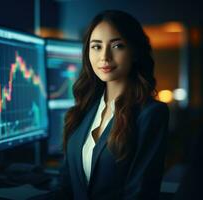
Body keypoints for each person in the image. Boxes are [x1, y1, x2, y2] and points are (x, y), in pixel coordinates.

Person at [58, 10, 169, 200]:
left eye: (117, 46)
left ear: (134, 52)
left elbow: (140, 193)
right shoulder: (82, 111)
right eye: (96, 47)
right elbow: (65, 185)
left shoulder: (151, 114)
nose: (104, 57)